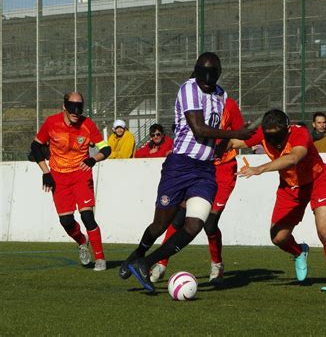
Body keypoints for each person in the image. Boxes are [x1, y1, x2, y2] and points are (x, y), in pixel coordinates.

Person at [118, 52, 254, 293]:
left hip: (206, 169)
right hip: (180, 165)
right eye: (204, 72)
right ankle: (138, 253)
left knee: (194, 225)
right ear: (197, 71)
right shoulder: (188, 89)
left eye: (213, 73)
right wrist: (235, 135)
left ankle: (146, 263)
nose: (208, 78)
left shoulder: (223, 96)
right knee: (161, 224)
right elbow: (199, 129)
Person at [228, 109, 326, 292]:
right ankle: (299, 252)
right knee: (278, 237)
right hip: (290, 187)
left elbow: (293, 158)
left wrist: (259, 169)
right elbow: (234, 142)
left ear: (286, 128)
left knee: (325, 231)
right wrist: (213, 143)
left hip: (318, 181)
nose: (273, 139)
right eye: (269, 135)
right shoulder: (263, 132)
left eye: (277, 134)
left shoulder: (300, 133)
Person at [150, 96, 245, 284]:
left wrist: (226, 146)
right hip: (196, 167)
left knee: (209, 223)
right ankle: (161, 264)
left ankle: (217, 265)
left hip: (223, 169)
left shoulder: (228, 104)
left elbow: (239, 132)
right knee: (177, 218)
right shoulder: (191, 100)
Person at [30, 92, 111, 271]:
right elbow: (35, 146)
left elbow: (106, 148)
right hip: (58, 177)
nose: (76, 111)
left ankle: (100, 258)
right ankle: (82, 242)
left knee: (87, 216)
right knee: (66, 221)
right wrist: (46, 172)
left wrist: (93, 159)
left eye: (79, 107)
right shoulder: (52, 123)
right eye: (72, 107)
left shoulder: (87, 124)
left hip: (81, 175)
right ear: (64, 106)